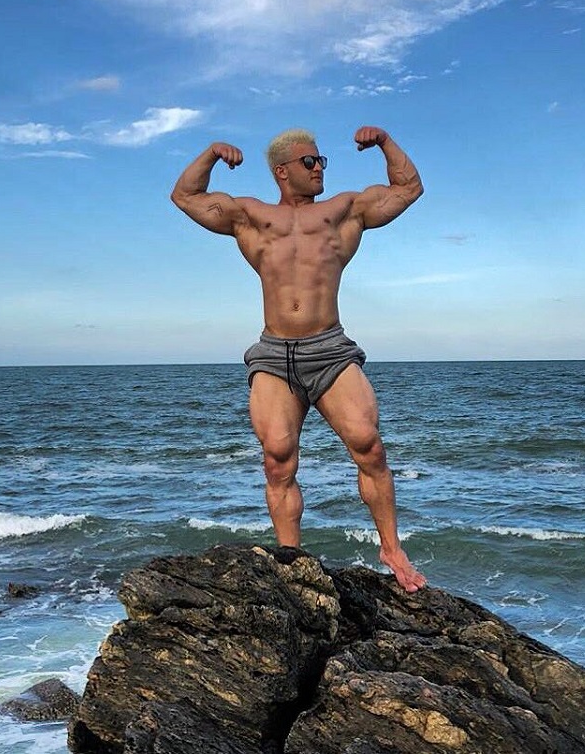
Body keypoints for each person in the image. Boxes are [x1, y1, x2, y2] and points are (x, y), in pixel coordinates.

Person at [171, 126, 426, 592]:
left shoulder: (342, 211)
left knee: (368, 444)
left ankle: (390, 546)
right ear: (283, 171)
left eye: (322, 160)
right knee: (277, 459)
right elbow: (185, 195)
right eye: (311, 162)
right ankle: (291, 559)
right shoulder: (252, 217)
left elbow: (408, 188)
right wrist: (210, 153)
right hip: (274, 355)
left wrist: (387, 142)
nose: (320, 168)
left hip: (329, 347)